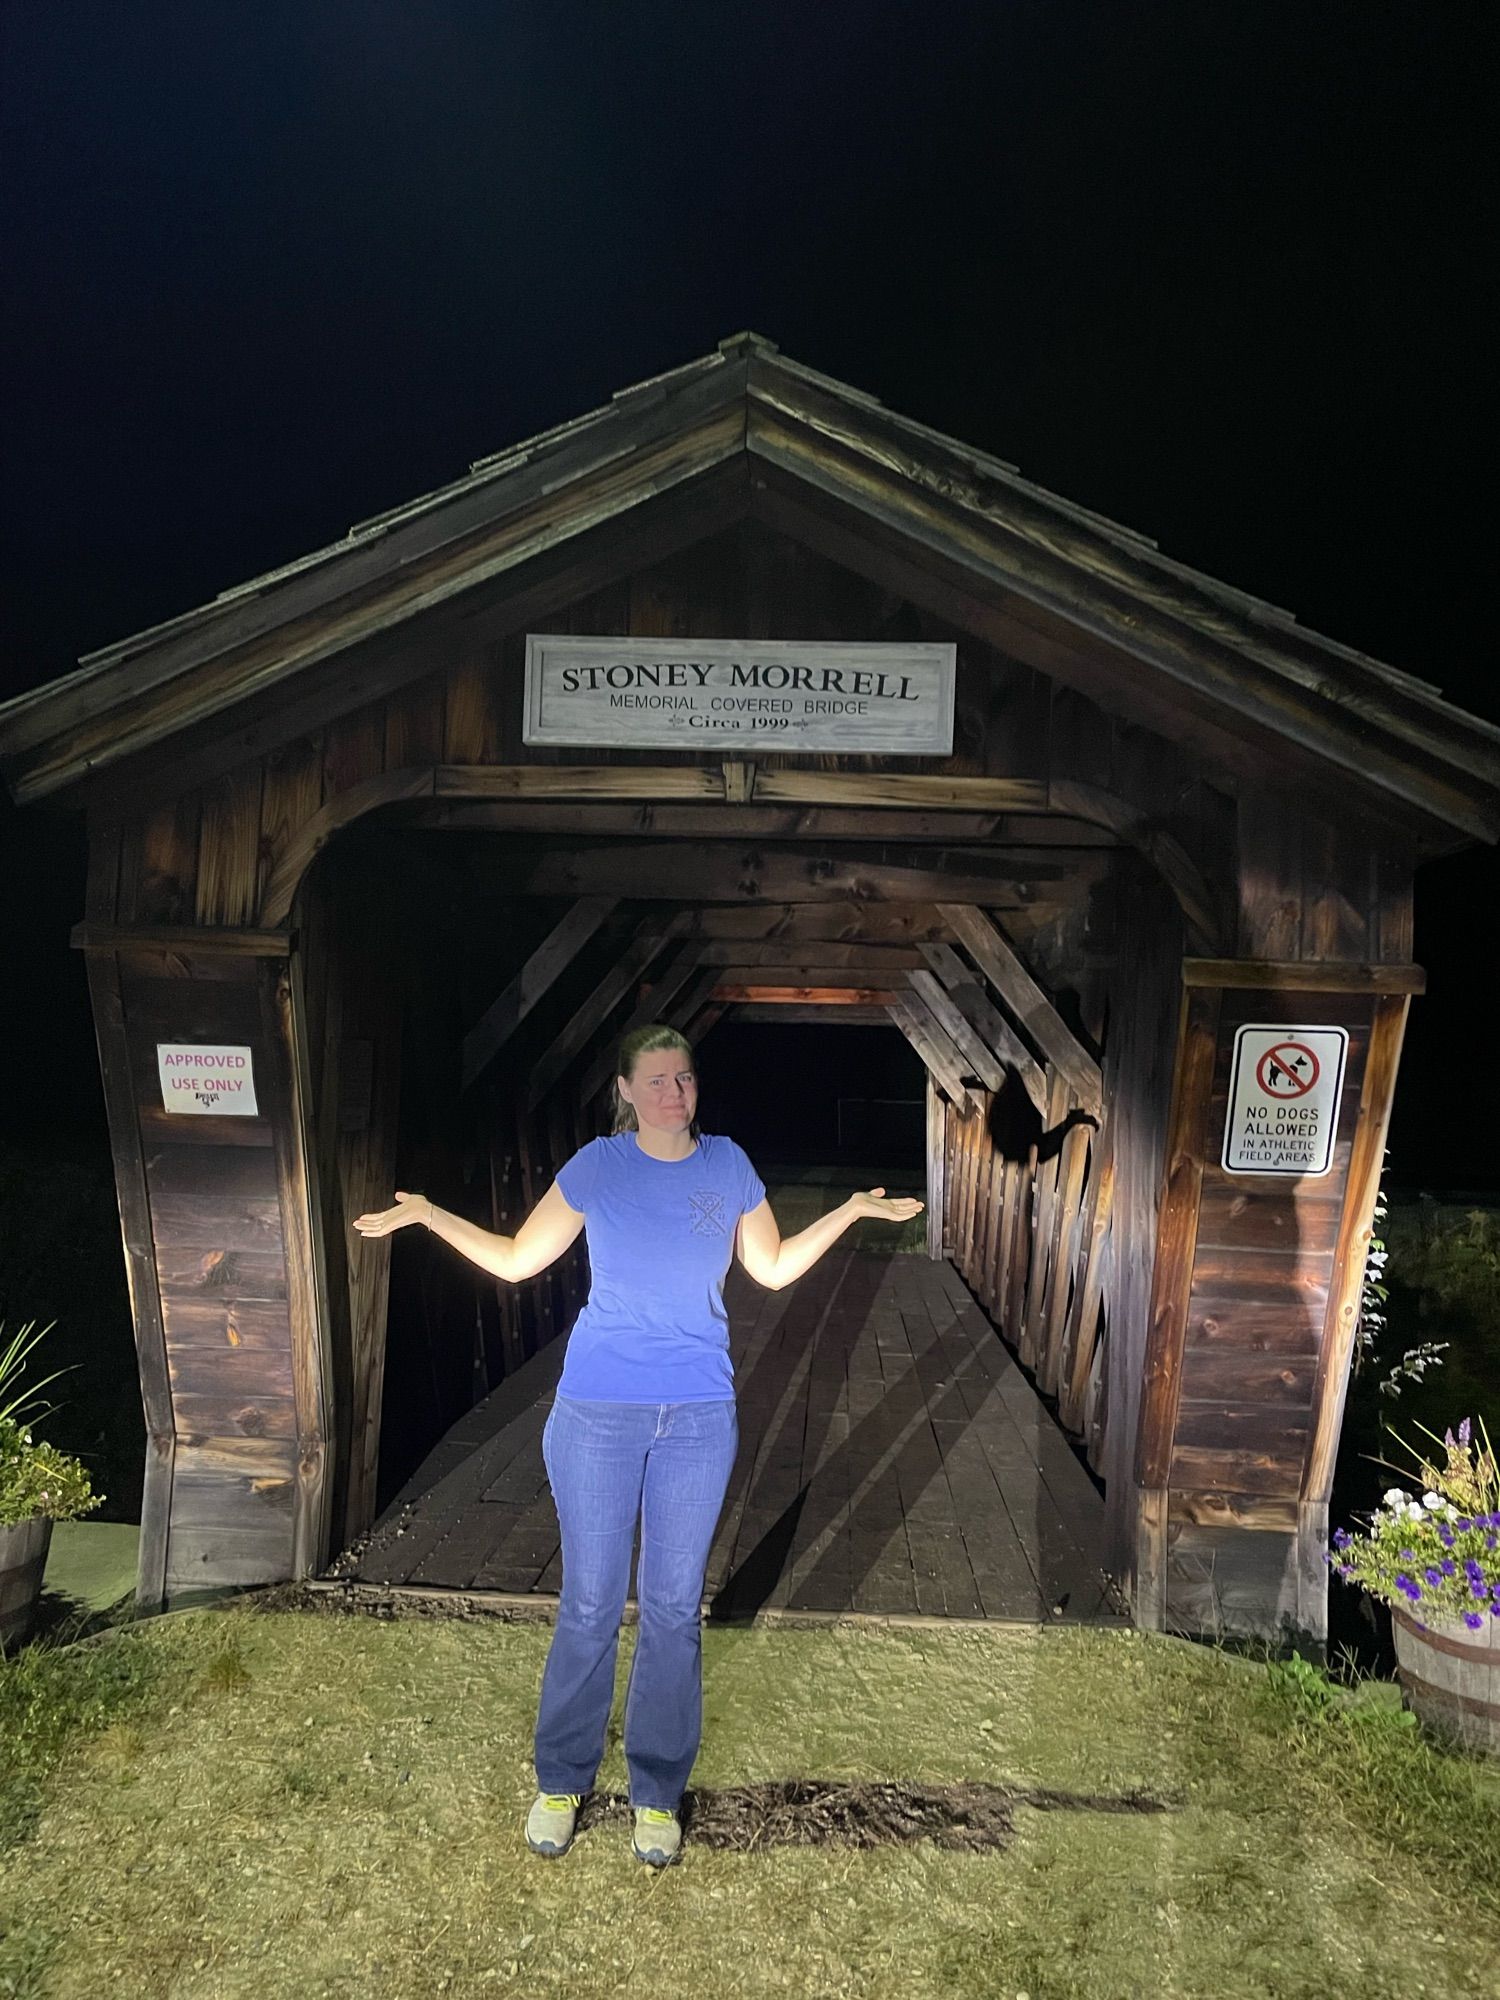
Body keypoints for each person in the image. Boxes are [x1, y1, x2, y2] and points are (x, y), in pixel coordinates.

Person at [352, 1021, 922, 1868]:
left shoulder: (727, 1166)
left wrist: (846, 1212)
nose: (673, 1094)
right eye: (655, 1080)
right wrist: (431, 1216)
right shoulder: (596, 1168)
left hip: (697, 1416)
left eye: (683, 1078)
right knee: (587, 1607)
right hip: (597, 1415)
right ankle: (561, 1780)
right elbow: (515, 1262)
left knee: (670, 1614)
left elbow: (768, 1268)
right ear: (625, 1090)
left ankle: (656, 1792)